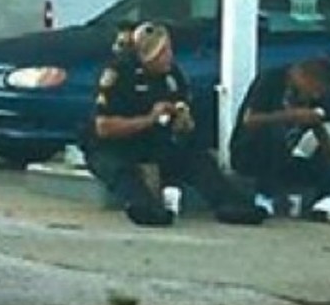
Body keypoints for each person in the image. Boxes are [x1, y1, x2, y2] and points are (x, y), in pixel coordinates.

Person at [82, 22, 267, 227]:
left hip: (154, 141)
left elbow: (182, 109)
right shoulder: (118, 74)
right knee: (120, 170)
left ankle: (232, 206)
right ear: (147, 55)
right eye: (162, 52)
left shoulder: (172, 75)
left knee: (197, 159)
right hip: (114, 144)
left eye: (169, 49)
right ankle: (146, 208)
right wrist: (150, 118)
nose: (168, 56)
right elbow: (104, 127)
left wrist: (182, 121)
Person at [229, 57, 330, 223]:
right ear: (303, 76)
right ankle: (264, 196)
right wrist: (293, 115)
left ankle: (327, 199)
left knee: (323, 156)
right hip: (251, 155)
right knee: (273, 131)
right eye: (315, 89)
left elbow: (321, 134)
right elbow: (250, 120)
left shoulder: (310, 95)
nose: (316, 95)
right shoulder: (272, 79)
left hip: (283, 159)